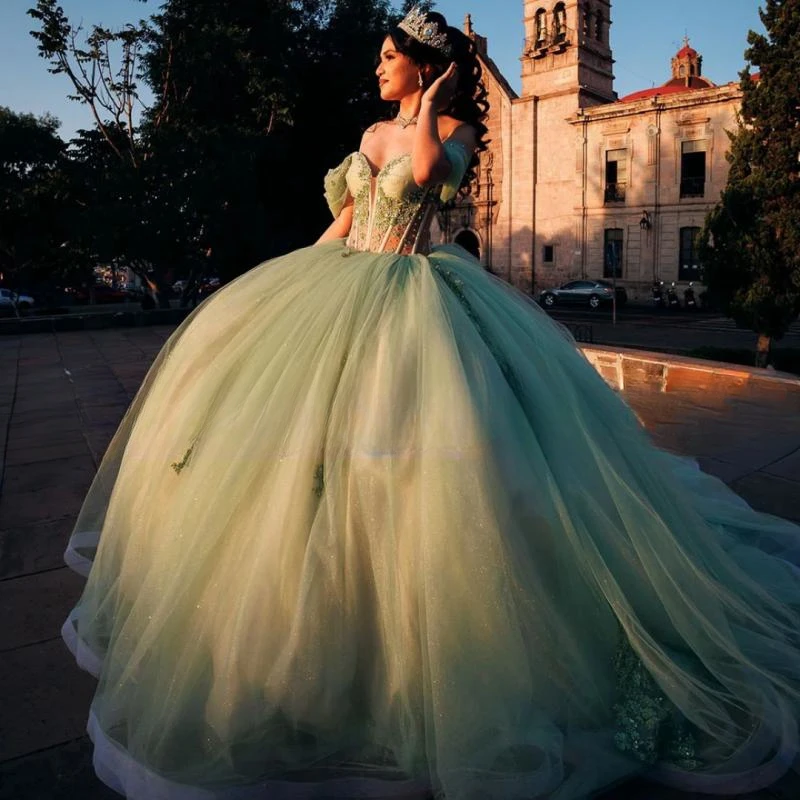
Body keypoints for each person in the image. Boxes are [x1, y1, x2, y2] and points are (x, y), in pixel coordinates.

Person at [62, 7, 800, 800]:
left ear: (425, 64)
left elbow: (427, 182)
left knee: (435, 460)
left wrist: (438, 101)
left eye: (390, 57)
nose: (378, 68)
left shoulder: (452, 132)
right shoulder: (368, 136)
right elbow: (344, 227)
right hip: (350, 291)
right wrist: (266, 299)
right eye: (379, 57)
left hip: (422, 296)